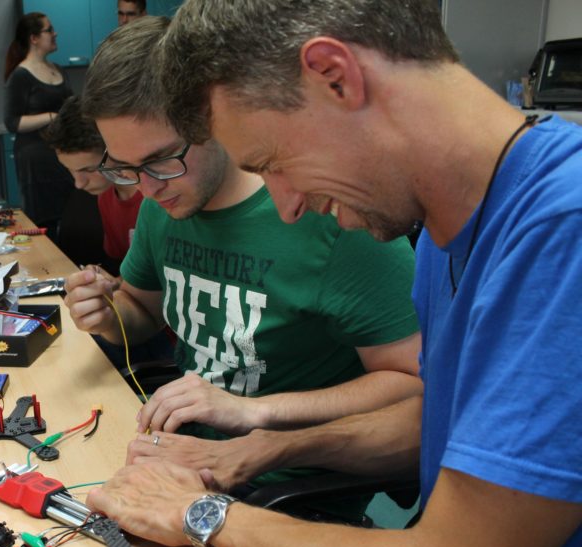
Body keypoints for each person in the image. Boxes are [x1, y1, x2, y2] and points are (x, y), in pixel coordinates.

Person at [88, 2, 582, 547]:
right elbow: (436, 430)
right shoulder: (449, 225)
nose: (284, 203)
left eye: (274, 162)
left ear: (334, 75)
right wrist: (264, 445)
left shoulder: (564, 234)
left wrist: (199, 512)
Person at [70, 17, 422, 520]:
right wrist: (106, 313)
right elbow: (140, 312)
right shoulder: (163, 203)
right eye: (124, 168)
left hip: (282, 496)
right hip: (176, 458)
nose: (146, 188)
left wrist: (253, 412)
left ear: (213, 119)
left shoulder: (330, 213)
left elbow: (413, 386)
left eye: (162, 160)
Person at [44, 95, 142, 274]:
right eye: (70, 170)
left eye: (88, 169)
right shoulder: (106, 197)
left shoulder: (156, 197)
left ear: (115, 150)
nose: (79, 184)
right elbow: (127, 276)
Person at [3, 13, 75, 231]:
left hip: (62, 152)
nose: (55, 34)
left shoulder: (58, 69)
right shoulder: (20, 75)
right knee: (47, 220)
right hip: (36, 161)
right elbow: (12, 122)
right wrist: (53, 117)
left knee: (71, 213)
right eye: (49, 30)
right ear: (34, 38)